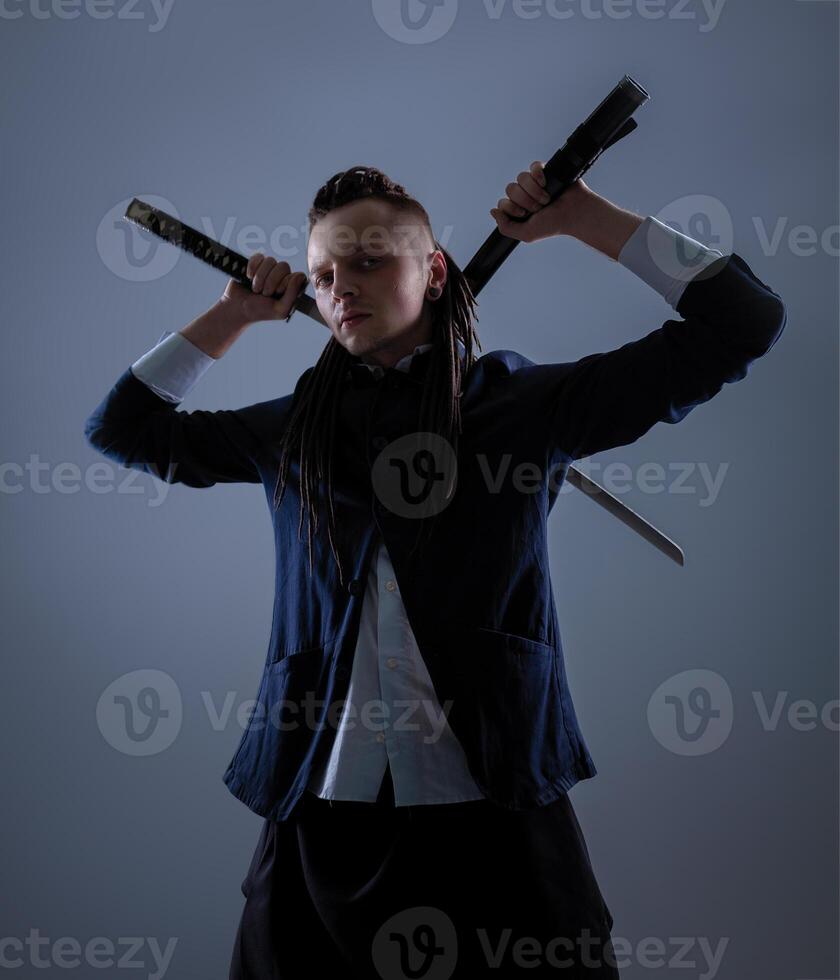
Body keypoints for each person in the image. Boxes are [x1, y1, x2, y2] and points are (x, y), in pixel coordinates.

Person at [84, 164, 786, 979]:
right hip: (317, 805)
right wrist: (233, 313)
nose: (341, 286)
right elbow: (123, 430)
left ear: (436, 270)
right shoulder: (290, 432)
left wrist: (587, 217)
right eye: (323, 274)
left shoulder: (522, 408)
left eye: (371, 260)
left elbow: (743, 321)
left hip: (497, 803)